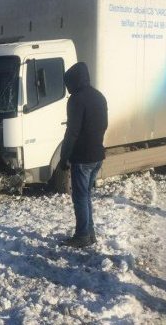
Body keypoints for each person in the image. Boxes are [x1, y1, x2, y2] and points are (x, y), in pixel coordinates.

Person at [59, 62, 108, 248]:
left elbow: (72, 132)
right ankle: (90, 233)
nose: (68, 88)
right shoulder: (99, 96)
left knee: (80, 197)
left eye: (68, 84)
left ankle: (82, 236)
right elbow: (104, 125)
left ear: (72, 81)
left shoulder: (76, 100)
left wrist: (64, 158)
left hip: (82, 157)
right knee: (86, 195)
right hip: (97, 154)